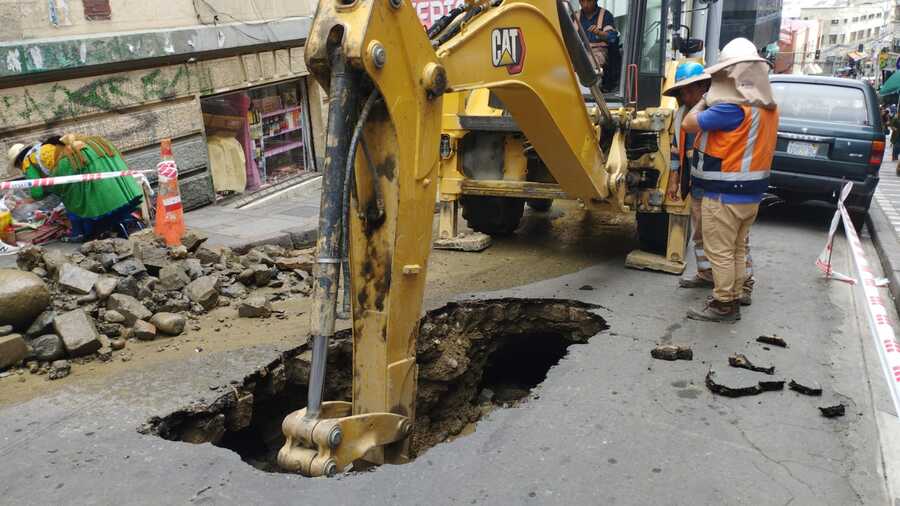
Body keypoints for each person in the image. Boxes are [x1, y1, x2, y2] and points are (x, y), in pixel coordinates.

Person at [682, 38, 779, 322]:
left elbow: (689, 123)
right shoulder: (767, 108)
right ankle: (734, 296)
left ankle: (723, 303)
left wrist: (705, 97)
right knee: (736, 249)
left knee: (720, 251)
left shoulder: (729, 109)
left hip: (723, 194)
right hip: (750, 194)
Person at [8, 134, 144, 242]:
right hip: (92, 150)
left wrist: (27, 201)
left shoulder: (27, 162)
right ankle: (124, 221)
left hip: (74, 161)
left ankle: (81, 233)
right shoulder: (42, 149)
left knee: (73, 199)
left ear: (18, 162)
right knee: (105, 190)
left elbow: (37, 192)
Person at [579, 0, 618, 81]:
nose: (585, 5)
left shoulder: (606, 15)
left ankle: (592, 90)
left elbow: (612, 38)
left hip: (597, 52)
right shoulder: (574, 16)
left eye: (589, 1)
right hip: (578, 52)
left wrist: (599, 33)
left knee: (589, 63)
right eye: (582, 1)